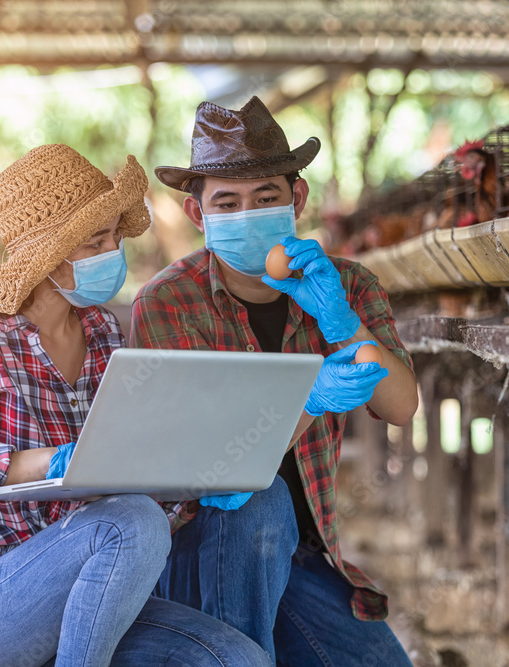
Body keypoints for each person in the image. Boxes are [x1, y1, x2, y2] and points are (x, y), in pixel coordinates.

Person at [0, 144, 271, 667]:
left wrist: (194, 479)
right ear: (48, 256)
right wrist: (47, 461)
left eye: (115, 237)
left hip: (91, 585)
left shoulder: (101, 333)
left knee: (239, 661)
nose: (113, 252)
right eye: (97, 241)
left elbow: (123, 464)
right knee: (132, 521)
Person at [133, 97, 418, 665]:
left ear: (298, 197)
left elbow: (402, 404)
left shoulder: (348, 285)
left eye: (266, 197)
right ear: (198, 215)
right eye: (228, 203)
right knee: (258, 506)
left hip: (303, 553)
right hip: (204, 543)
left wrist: (342, 323)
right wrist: (310, 398)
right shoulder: (170, 301)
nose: (249, 214)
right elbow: (211, 470)